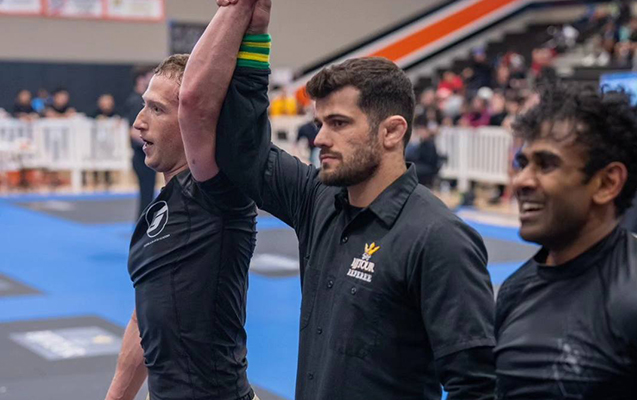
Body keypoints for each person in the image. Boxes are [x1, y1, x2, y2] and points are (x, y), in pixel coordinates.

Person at [211, 1, 496, 399]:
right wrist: (254, 34)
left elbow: (478, 388)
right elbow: (244, 151)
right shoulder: (318, 200)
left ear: (392, 132)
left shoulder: (439, 239)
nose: (320, 138)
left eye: (339, 123)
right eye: (320, 123)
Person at [104, 2, 260, 399]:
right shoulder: (159, 208)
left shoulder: (219, 193)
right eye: (144, 105)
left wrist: (237, 9)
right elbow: (145, 319)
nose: (139, 123)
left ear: (194, 121)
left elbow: (195, 101)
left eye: (157, 109)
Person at [495, 84, 637, 399]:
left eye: (546, 164)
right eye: (523, 164)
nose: (521, 181)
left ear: (607, 183)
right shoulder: (515, 291)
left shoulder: (629, 297)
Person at [125, 69, 157, 216]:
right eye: (150, 76)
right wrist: (155, 142)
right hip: (141, 156)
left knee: (148, 196)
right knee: (146, 197)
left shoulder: (141, 100)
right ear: (141, 79)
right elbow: (133, 133)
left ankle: (144, 223)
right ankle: (143, 225)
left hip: (144, 155)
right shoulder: (136, 101)